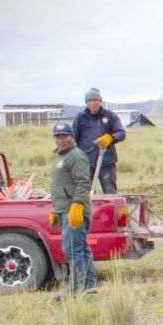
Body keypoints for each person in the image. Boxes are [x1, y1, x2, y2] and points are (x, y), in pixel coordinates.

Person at [49, 122, 97, 295]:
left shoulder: (77, 156)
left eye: (64, 136)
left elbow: (83, 183)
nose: (61, 140)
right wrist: (55, 209)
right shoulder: (59, 157)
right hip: (63, 209)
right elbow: (59, 186)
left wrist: (77, 205)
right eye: (57, 136)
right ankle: (89, 285)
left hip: (74, 210)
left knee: (72, 249)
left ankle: (75, 287)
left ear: (71, 137)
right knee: (81, 247)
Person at [72, 88, 126, 193]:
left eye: (95, 100)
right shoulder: (80, 118)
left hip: (106, 162)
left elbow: (121, 133)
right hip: (86, 162)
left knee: (110, 191)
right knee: (85, 193)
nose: (92, 103)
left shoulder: (110, 116)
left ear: (100, 101)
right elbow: (74, 139)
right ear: (86, 102)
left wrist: (110, 138)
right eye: (89, 101)